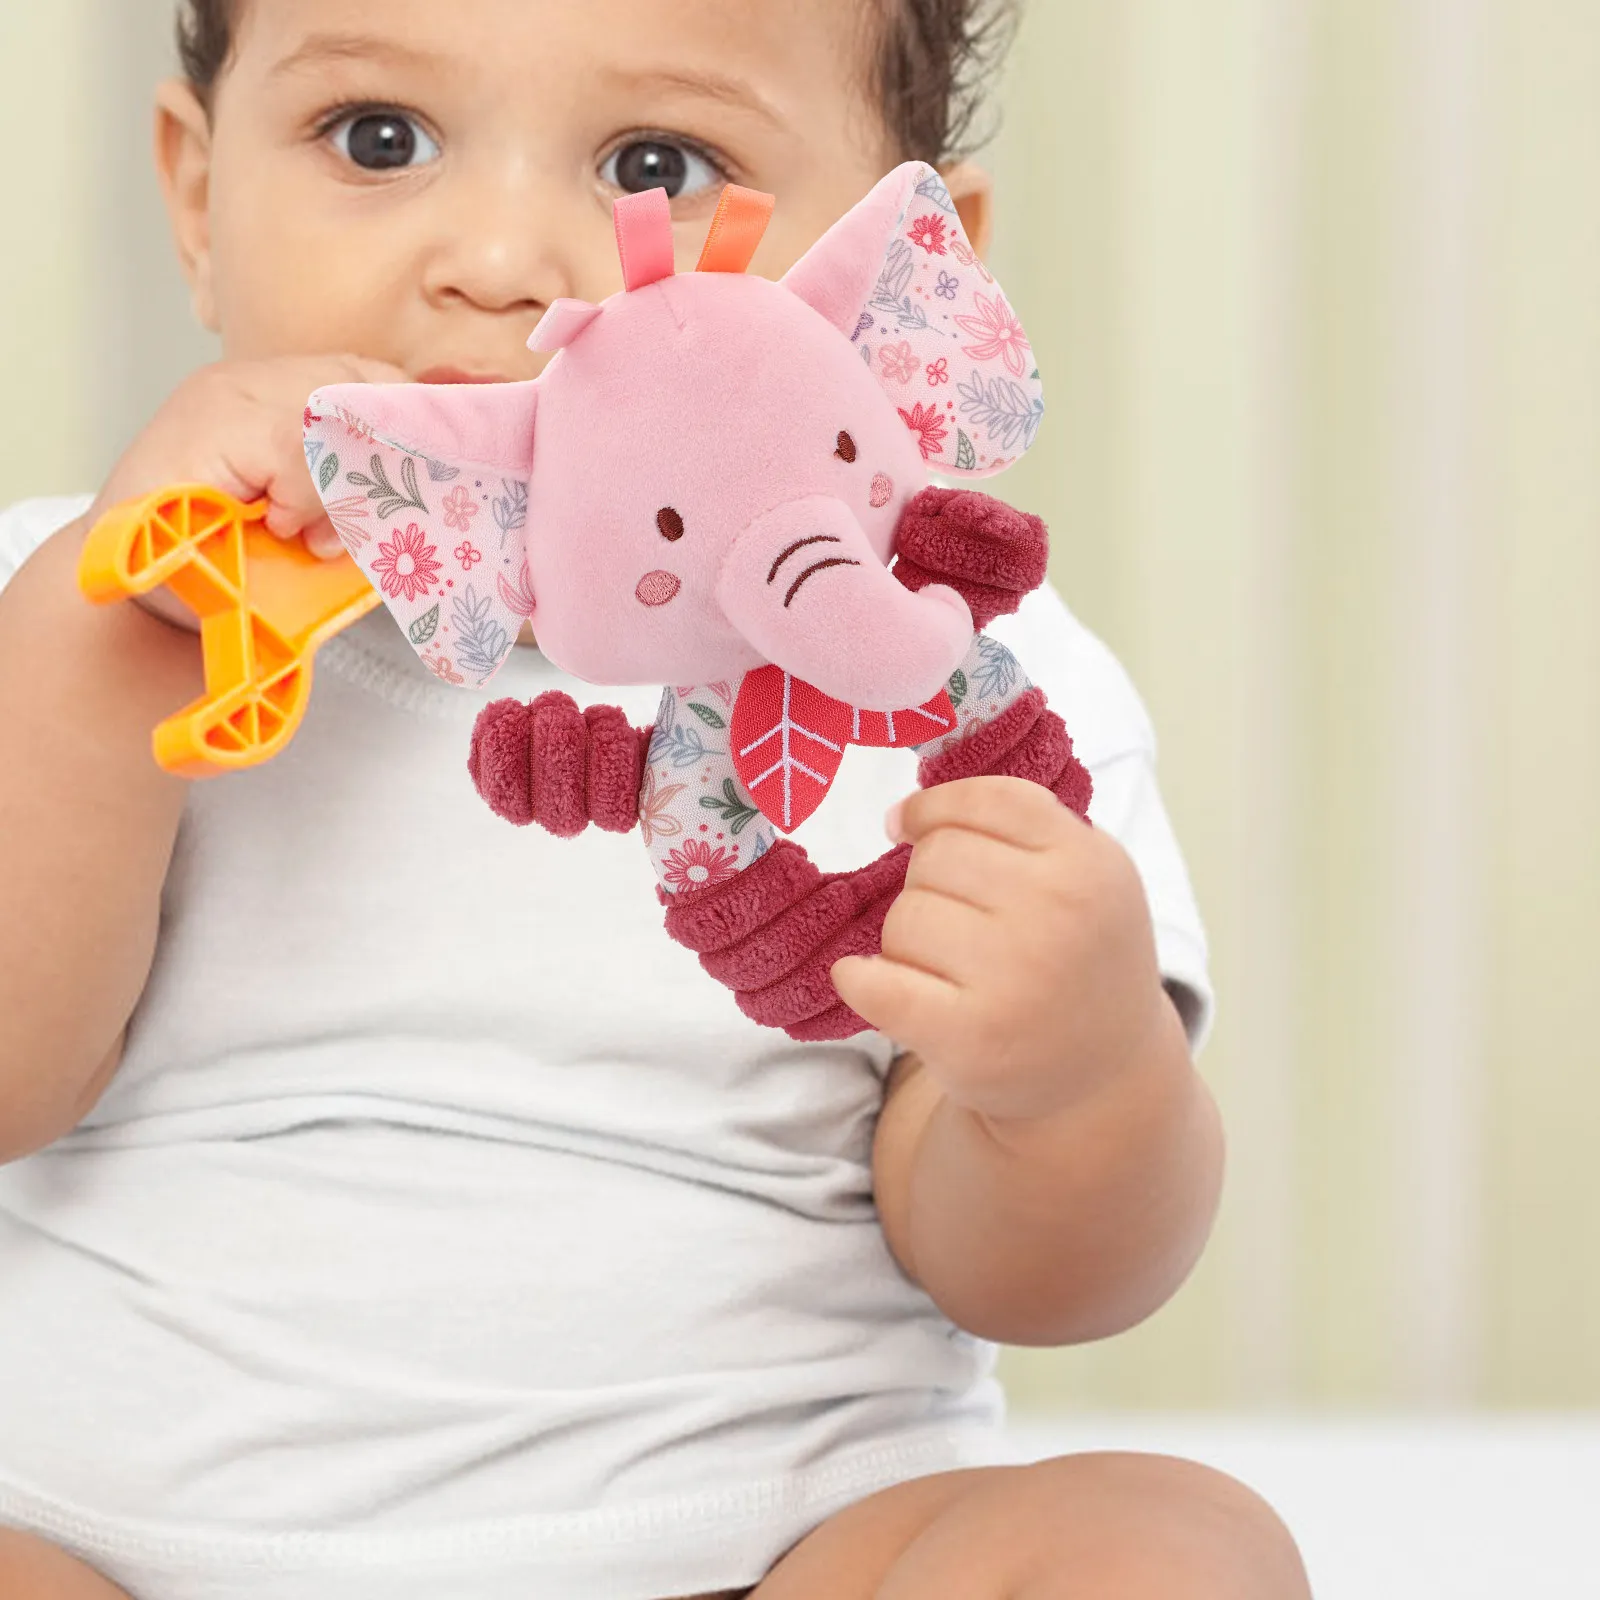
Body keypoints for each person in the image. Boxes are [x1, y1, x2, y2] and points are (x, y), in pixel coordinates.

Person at [0, 2, 1309, 1595]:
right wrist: (102, 651)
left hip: (764, 1546)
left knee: (1164, 1547)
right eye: (378, 138)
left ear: (905, 269)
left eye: (656, 163)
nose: (495, 262)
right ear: (198, 200)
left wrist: (1072, 1075)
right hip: (115, 1548)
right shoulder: (71, 595)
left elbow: (1043, 1280)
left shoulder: (940, 673)